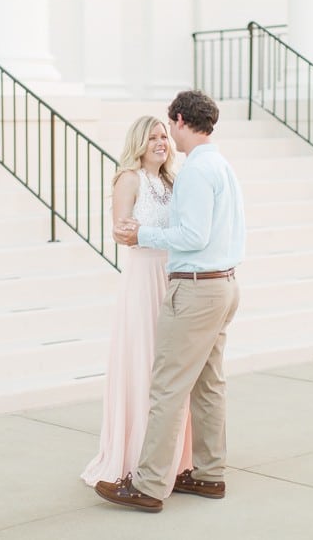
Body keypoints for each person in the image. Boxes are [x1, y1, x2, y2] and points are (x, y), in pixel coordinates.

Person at [95, 89, 245, 513]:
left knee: (167, 387)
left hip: (196, 287)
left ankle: (148, 485)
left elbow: (192, 236)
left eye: (168, 129)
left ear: (180, 120)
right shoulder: (221, 165)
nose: (165, 140)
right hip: (224, 282)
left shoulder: (195, 171)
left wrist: (144, 234)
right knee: (209, 385)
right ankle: (209, 474)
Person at [81, 115, 193, 488]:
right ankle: (135, 458)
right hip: (143, 279)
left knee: (170, 368)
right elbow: (122, 234)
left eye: (164, 136)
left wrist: (150, 233)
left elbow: (150, 231)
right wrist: (155, 235)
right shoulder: (130, 179)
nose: (161, 143)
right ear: (138, 144)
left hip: (172, 276)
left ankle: (173, 458)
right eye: (153, 138)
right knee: (142, 362)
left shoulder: (171, 180)